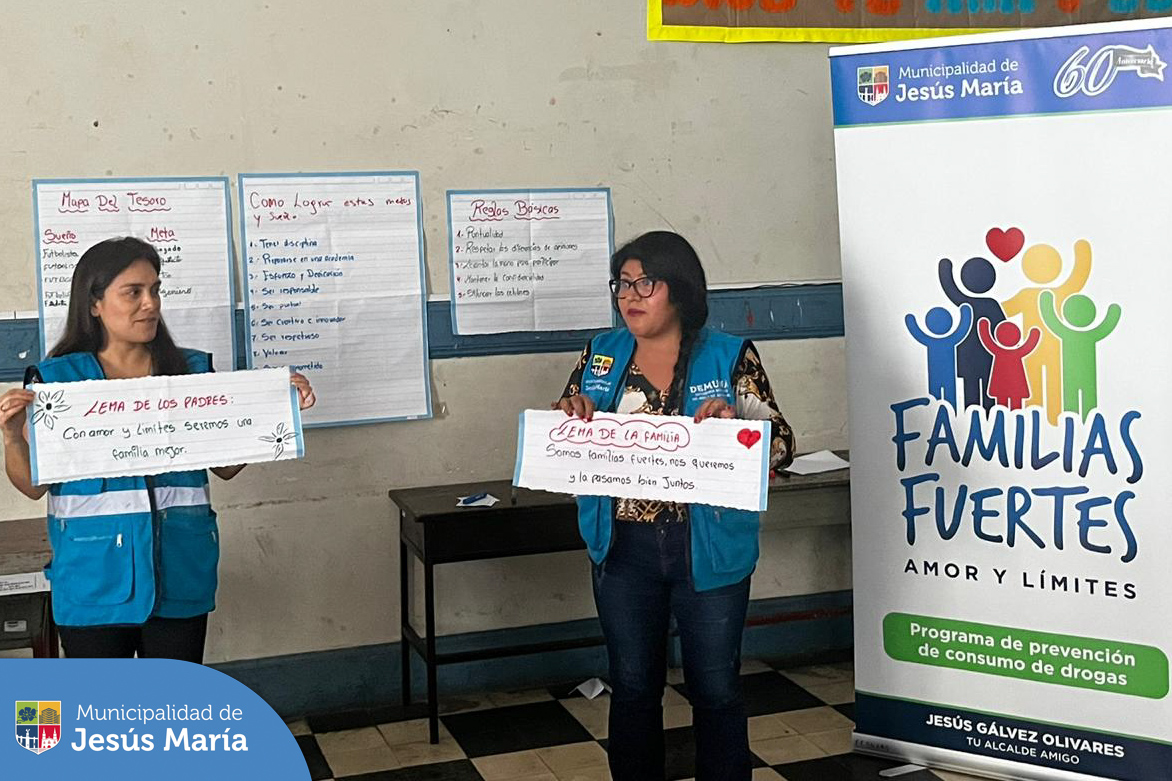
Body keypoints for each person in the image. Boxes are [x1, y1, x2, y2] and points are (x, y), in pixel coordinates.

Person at [0, 237, 315, 661]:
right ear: (94, 303)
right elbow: (33, 487)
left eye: (155, 289)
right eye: (133, 292)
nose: (150, 303)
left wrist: (274, 412)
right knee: (102, 716)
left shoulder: (189, 372)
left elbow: (225, 467)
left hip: (180, 569)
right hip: (92, 576)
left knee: (172, 709)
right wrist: (12, 438)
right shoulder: (57, 382)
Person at [553, 231, 795, 781]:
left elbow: (781, 443)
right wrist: (574, 410)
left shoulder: (728, 356)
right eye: (622, 284)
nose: (629, 296)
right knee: (634, 686)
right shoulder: (601, 352)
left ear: (679, 290)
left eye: (645, 283)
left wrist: (742, 426)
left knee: (714, 687)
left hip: (706, 548)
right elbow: (570, 418)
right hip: (623, 549)